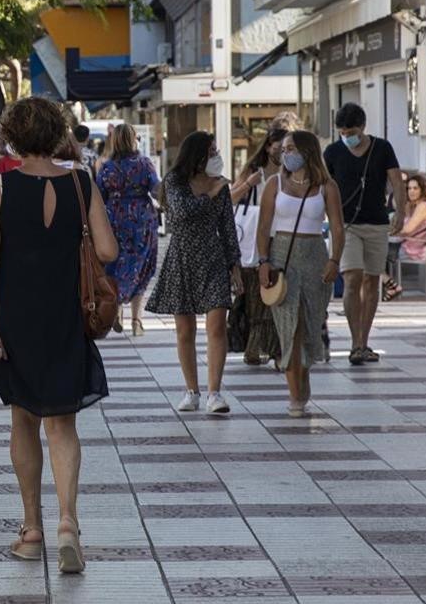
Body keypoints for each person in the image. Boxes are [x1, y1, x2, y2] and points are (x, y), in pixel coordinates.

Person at [0, 97, 117, 574]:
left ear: (12, 137)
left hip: (18, 316)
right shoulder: (82, 181)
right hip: (66, 314)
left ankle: (31, 527)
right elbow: (107, 248)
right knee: (63, 424)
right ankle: (68, 525)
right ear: (57, 133)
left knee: (24, 420)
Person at [146, 132, 243, 415]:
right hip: (182, 257)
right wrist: (210, 193)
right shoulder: (174, 181)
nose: (216, 156)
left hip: (213, 257)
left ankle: (215, 392)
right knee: (185, 329)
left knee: (216, 326)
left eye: (216, 150)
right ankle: (192, 390)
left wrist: (234, 265)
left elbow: (227, 226)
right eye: (210, 151)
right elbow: (182, 212)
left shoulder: (221, 185)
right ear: (196, 155)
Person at [256, 132, 345, 417]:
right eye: (284, 149)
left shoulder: (326, 186)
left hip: (316, 258)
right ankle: (295, 392)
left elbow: (338, 229)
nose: (286, 154)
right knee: (289, 328)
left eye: (291, 148)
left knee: (308, 327)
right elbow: (263, 226)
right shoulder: (274, 184)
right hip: (282, 259)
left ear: (307, 151)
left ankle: (302, 379)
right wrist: (263, 261)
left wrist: (334, 260)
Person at [323, 103, 407, 365]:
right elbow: (324, 184)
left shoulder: (382, 148)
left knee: (372, 281)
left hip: (377, 223)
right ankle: (355, 342)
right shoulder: (333, 152)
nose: (347, 136)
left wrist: (401, 212)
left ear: (363, 127)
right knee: (352, 278)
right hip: (345, 225)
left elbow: (396, 180)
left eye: (351, 131)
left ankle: (364, 340)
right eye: (342, 131)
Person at [95, 123, 160, 336]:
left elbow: (99, 196)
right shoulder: (144, 164)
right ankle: (137, 320)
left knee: (116, 265)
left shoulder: (106, 167)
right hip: (142, 220)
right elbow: (157, 189)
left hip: (115, 220)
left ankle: (117, 310)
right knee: (140, 266)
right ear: (134, 139)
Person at [230, 128, 289, 365]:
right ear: (268, 147)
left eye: (287, 149)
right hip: (255, 241)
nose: (283, 153)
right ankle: (257, 346)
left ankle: (274, 349)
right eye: (279, 148)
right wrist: (248, 185)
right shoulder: (255, 172)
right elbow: (230, 198)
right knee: (258, 297)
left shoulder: (293, 172)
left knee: (279, 293)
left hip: (283, 239)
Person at [383, 175, 426, 300]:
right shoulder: (414, 205)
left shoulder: (423, 207)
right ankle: (390, 285)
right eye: (409, 188)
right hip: (404, 245)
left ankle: (390, 285)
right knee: (370, 252)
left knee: (370, 253)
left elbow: (407, 230)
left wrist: (387, 232)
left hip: (410, 249)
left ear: (422, 189)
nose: (411, 191)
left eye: (415, 188)